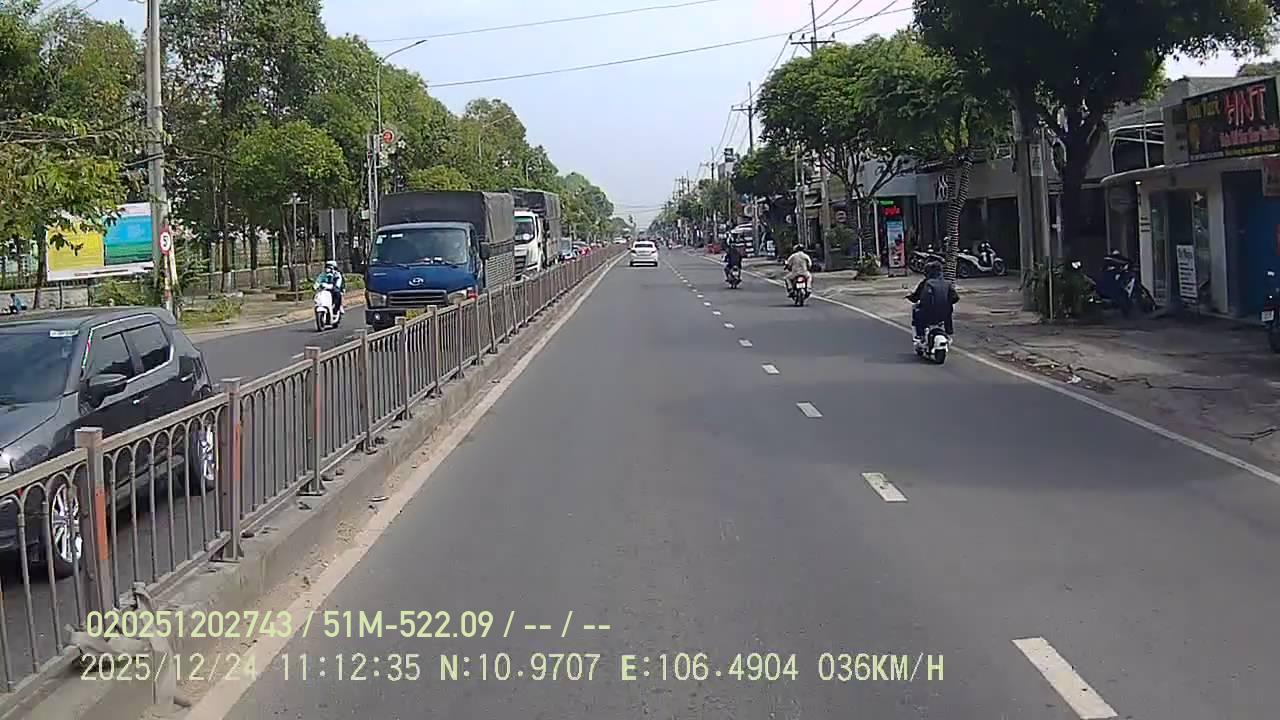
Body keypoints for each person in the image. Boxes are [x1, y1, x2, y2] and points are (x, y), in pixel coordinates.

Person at [907, 260, 959, 339]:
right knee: (948, 311)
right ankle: (949, 331)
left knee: (916, 312)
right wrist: (946, 303)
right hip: (944, 315)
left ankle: (920, 335)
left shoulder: (925, 283)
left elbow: (916, 298)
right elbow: (955, 298)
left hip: (928, 314)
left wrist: (909, 297)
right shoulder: (947, 283)